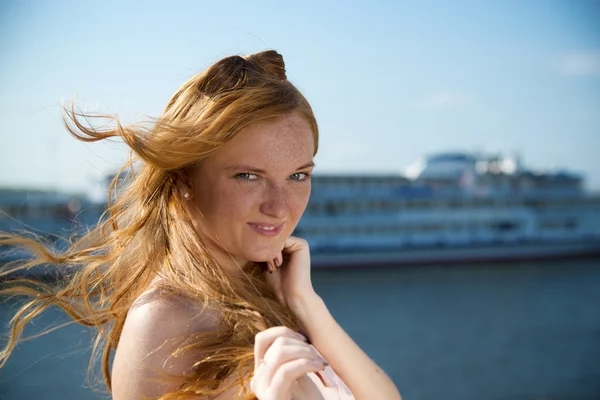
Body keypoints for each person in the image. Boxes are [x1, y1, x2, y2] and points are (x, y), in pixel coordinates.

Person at [0, 50, 401, 400]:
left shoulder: (271, 290)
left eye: (298, 176)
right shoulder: (162, 320)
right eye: (248, 176)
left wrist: (307, 303)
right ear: (185, 180)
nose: (280, 207)